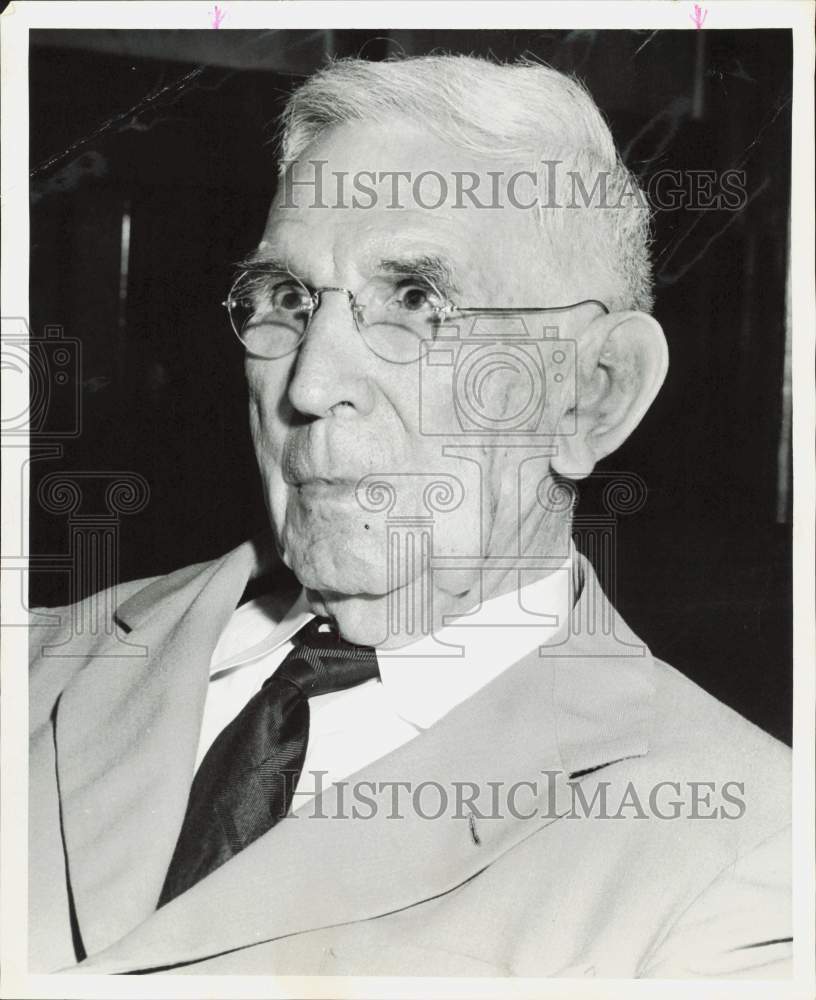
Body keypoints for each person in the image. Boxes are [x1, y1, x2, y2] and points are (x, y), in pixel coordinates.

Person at [29, 54, 791, 977]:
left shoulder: (750, 854)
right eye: (284, 300)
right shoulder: (40, 659)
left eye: (418, 301)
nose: (310, 385)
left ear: (592, 395)